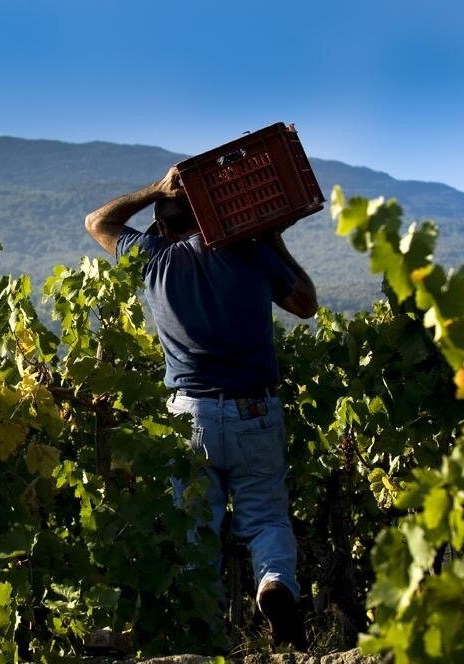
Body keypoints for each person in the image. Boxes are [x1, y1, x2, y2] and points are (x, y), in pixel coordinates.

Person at [84, 165, 317, 652]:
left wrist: (153, 188)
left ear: (164, 226)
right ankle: (274, 585)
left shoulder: (153, 258)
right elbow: (305, 303)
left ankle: (204, 639)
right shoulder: (250, 253)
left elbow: (97, 222)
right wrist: (270, 238)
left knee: (195, 533)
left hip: (189, 416)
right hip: (256, 410)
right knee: (266, 519)